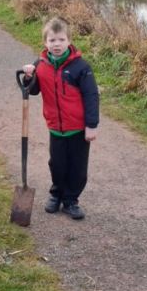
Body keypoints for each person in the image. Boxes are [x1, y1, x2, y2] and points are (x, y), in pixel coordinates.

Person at [21, 16, 99, 220]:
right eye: (52, 40)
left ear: (69, 41)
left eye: (61, 40)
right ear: (45, 43)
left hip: (78, 127)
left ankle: (71, 200)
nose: (57, 45)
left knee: (78, 167)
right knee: (57, 163)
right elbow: (34, 90)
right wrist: (29, 76)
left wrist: (92, 125)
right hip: (55, 127)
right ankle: (56, 195)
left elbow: (91, 96)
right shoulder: (41, 64)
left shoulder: (81, 67)